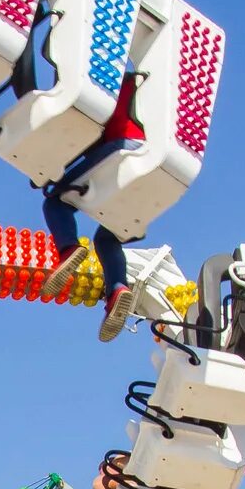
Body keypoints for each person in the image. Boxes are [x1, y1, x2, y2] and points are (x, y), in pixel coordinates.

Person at [35, 69, 146, 340]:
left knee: (55, 202)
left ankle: (69, 249)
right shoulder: (151, 91)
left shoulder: (105, 82)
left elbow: (83, 131)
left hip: (122, 150)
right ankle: (118, 289)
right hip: (153, 166)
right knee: (107, 239)